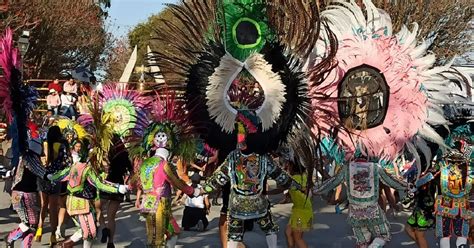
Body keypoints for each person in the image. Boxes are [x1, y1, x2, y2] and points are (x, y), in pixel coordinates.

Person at [47, 141, 129, 248]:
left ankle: (66, 244)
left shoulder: (73, 167)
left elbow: (59, 176)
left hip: (71, 203)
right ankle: (65, 244)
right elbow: (99, 183)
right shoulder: (86, 169)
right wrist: (118, 188)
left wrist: (49, 176)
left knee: (86, 229)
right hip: (81, 204)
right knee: (90, 232)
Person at [3, 138, 47, 248]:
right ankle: (11, 237)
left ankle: (24, 245)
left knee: (31, 224)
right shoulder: (31, 158)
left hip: (18, 193)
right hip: (26, 194)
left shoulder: (23, 157)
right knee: (30, 223)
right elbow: (41, 172)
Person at [99, 136, 133, 248]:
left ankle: (104, 228)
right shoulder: (125, 155)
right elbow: (131, 171)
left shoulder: (107, 154)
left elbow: (103, 167)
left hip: (108, 184)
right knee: (111, 217)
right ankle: (111, 242)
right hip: (119, 185)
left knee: (97, 209)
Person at [285, 162, 312, 248]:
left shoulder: (295, 179)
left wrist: (265, 192)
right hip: (298, 209)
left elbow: (282, 188)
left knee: (298, 238)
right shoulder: (303, 176)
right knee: (288, 232)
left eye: (288, 165)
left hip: (302, 211)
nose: (287, 167)